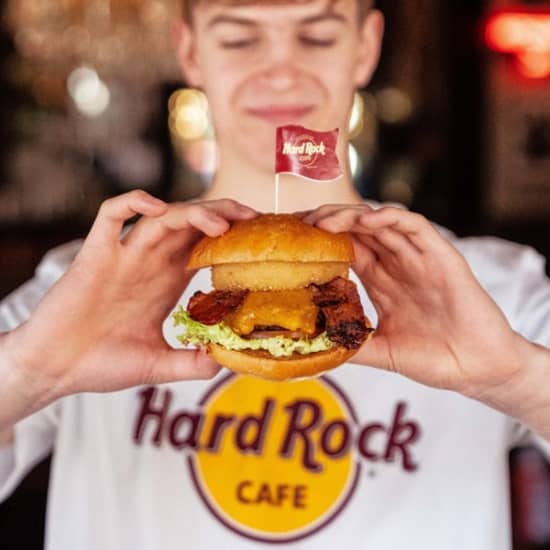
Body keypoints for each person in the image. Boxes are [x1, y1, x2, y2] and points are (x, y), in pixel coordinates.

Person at [0, 1, 548, 549]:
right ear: (191, 51)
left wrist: (513, 379)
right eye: (240, 39)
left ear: (366, 46)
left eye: (316, 37)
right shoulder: (84, 286)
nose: (282, 71)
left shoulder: (497, 288)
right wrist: (30, 372)